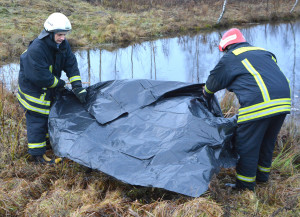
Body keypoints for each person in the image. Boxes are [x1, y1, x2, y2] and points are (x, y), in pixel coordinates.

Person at [203, 28, 291, 190]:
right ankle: (262, 178)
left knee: (246, 145)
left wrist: (204, 95)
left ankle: (244, 187)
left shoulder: (231, 57)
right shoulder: (264, 52)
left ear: (226, 46)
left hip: (259, 103)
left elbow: (212, 84)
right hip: (283, 101)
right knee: (267, 142)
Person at [17, 12, 87, 164]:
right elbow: (40, 76)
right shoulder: (37, 49)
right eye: (60, 34)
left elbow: (71, 64)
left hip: (47, 87)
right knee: (37, 119)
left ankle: (48, 143)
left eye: (64, 35)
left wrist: (77, 86)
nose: (63, 38)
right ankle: (37, 156)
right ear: (49, 33)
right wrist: (59, 84)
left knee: (49, 115)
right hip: (33, 91)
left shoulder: (62, 45)